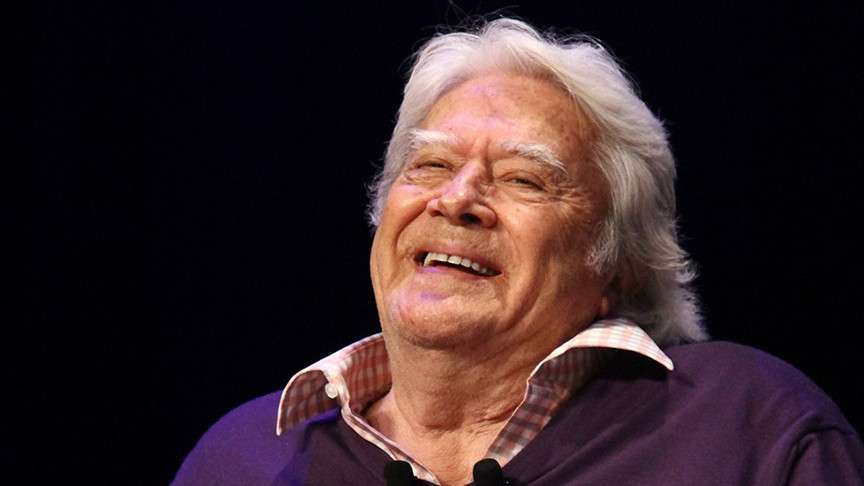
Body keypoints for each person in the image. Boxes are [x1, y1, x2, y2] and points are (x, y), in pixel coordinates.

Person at [173, 18, 863, 485]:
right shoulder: (245, 459)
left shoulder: (744, 424)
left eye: (524, 179)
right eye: (431, 166)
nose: (457, 199)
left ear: (617, 260)